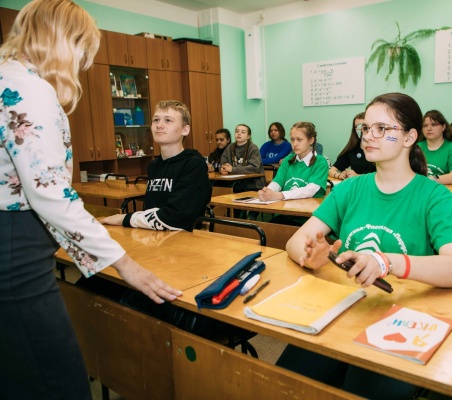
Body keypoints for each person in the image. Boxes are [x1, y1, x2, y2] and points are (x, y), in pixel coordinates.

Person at [0, 1, 181, 399]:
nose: (84, 64)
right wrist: (125, 265)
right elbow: (50, 193)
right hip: (16, 249)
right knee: (58, 381)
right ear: (63, 42)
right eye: (83, 50)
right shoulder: (29, 89)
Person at [279, 93, 452, 399]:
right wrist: (311, 255)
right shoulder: (350, 188)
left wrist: (386, 262)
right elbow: (296, 240)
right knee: (284, 384)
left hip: (402, 321)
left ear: (409, 137)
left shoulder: (435, 196)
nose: (368, 136)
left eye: (382, 128)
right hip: (343, 308)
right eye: (366, 128)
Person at [101, 100, 211, 232]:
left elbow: (176, 217)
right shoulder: (154, 165)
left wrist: (125, 219)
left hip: (183, 239)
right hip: (153, 236)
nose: (159, 125)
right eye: (156, 120)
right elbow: (150, 210)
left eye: (168, 120)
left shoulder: (193, 165)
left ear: (185, 130)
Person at [258, 121, 329, 201]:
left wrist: (281, 195)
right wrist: (267, 192)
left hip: (309, 208)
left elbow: (310, 190)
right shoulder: (288, 159)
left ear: (311, 140)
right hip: (286, 206)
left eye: (299, 139)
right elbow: (277, 182)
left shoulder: (320, 162)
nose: (295, 144)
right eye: (292, 139)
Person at [221, 124, 265, 219]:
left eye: (242, 132)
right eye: (237, 131)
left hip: (252, 185)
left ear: (248, 136)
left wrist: (233, 169)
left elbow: (254, 168)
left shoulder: (253, 148)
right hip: (235, 185)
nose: (239, 133)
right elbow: (224, 162)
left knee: (246, 215)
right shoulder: (230, 147)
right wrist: (223, 169)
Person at [417, 110, 452, 185]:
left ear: (443, 127)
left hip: (446, 190)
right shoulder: (416, 147)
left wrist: (432, 179)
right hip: (420, 189)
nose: (429, 128)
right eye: (425, 126)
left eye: (433, 125)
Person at [328, 111, 376, 180]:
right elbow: (331, 170)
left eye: (364, 127)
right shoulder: (353, 148)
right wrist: (339, 175)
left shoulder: (377, 148)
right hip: (355, 184)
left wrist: (358, 176)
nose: (360, 129)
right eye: (357, 127)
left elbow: (383, 176)